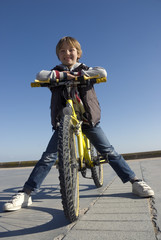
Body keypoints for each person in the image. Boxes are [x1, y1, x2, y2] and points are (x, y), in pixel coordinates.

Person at [3, 36, 154, 212]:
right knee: (48, 157)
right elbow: (39, 75)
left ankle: (134, 182)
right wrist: (62, 75)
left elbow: (102, 72)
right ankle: (26, 193)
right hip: (64, 121)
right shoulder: (56, 71)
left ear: (78, 53)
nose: (67, 53)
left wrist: (80, 74)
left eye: (71, 50)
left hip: (88, 119)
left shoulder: (85, 68)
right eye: (62, 51)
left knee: (108, 151)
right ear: (58, 55)